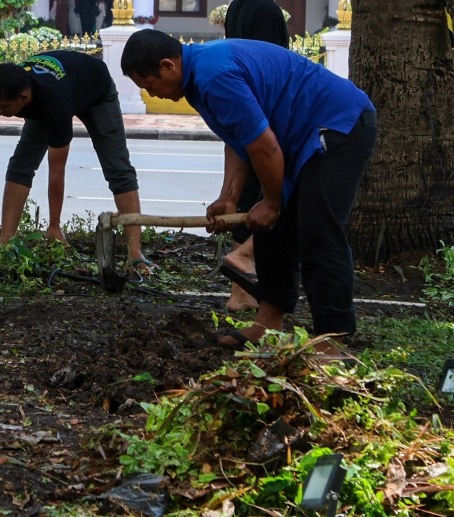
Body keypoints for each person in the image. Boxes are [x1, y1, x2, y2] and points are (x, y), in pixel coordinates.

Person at [121, 29, 377, 355]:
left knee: (319, 229)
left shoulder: (213, 75)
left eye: (149, 85)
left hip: (338, 124)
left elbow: (265, 147)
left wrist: (271, 203)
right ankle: (268, 326)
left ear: (168, 66)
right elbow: (238, 138)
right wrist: (229, 197)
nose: (152, 94)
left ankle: (331, 339)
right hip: (300, 135)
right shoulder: (197, 78)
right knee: (270, 228)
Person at [0, 52, 149, 269]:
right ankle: (5, 244)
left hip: (95, 89)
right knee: (20, 165)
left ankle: (135, 253)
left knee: (117, 168)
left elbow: (56, 170)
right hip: (57, 88)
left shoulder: (54, 102)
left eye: (4, 107)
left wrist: (54, 225)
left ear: (23, 97)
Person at [220, 0, 296, 311]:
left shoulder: (239, 6)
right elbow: (267, 74)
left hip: (243, 114)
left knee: (251, 197)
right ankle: (242, 284)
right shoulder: (268, 12)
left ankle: (242, 293)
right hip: (262, 118)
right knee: (272, 200)